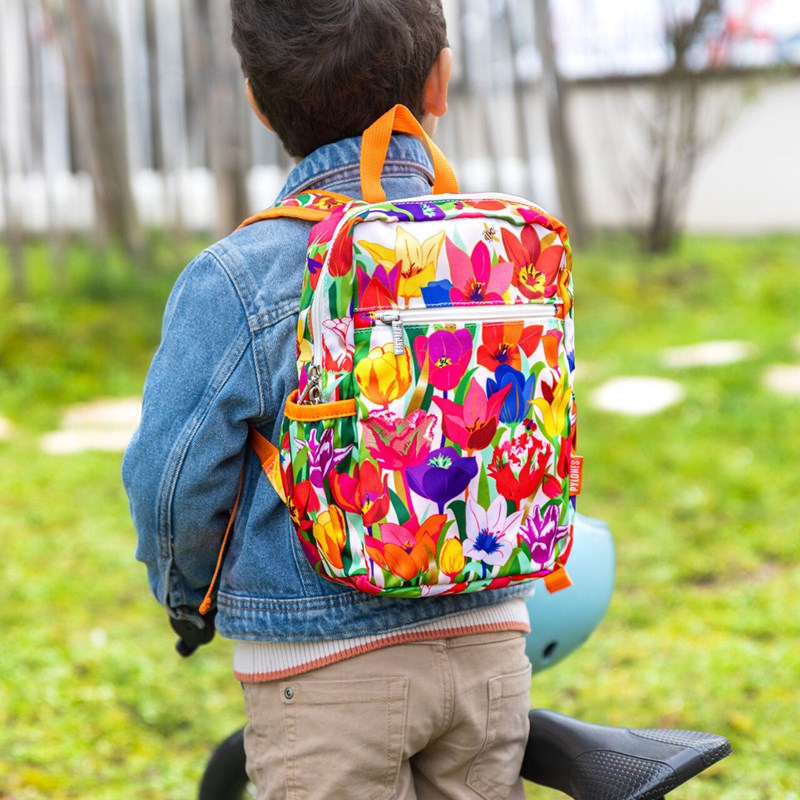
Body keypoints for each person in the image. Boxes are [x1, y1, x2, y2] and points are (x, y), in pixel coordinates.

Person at [123, 1, 534, 797]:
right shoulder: (502, 249)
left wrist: (188, 598)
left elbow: (170, 481)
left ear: (255, 98)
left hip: (321, 664)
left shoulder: (241, 276)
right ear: (440, 82)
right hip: (492, 646)